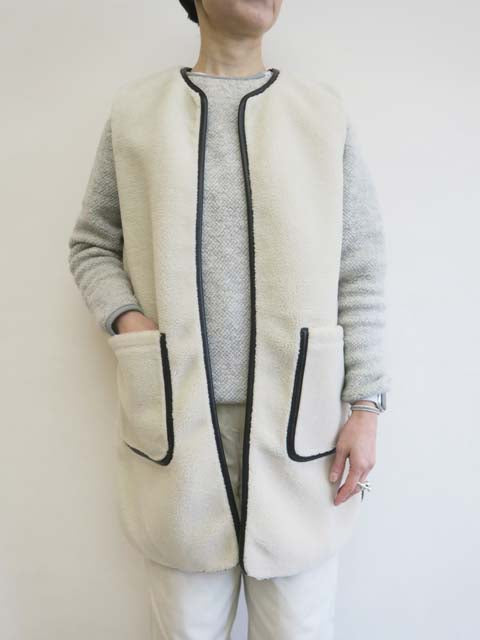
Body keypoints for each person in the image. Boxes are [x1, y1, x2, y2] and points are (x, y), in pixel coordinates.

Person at [67, 0, 391, 637]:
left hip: (303, 435)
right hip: (176, 433)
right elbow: (92, 243)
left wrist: (366, 405)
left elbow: (360, 267)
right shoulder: (137, 115)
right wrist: (128, 323)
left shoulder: (321, 115)